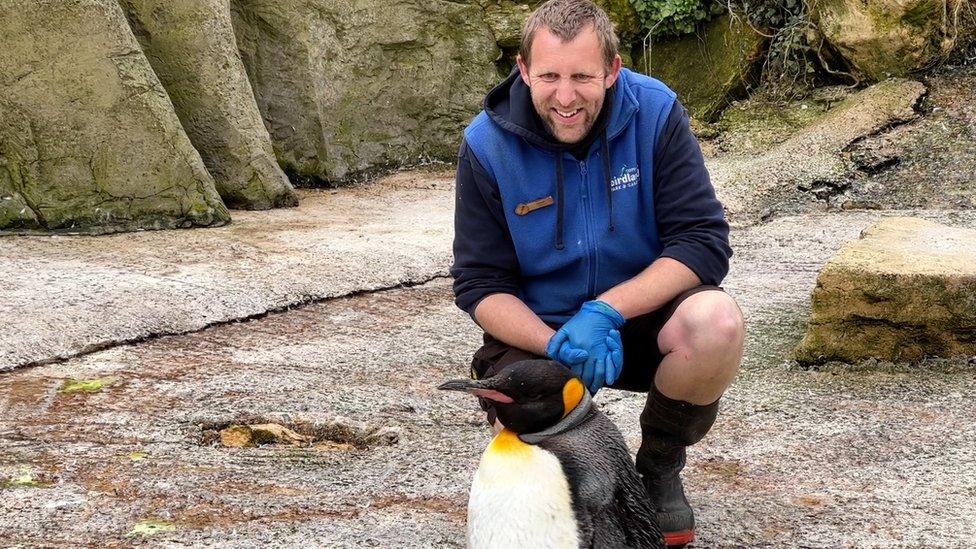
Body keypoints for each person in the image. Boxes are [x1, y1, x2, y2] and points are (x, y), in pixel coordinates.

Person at [450, 0, 745, 545]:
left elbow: (702, 241)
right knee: (517, 422)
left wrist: (606, 310)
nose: (566, 97)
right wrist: (555, 344)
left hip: (637, 320)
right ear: (522, 69)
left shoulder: (654, 114)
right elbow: (479, 285)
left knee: (715, 323)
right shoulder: (487, 144)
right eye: (550, 76)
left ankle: (657, 471)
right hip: (543, 334)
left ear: (612, 70)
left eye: (583, 76)